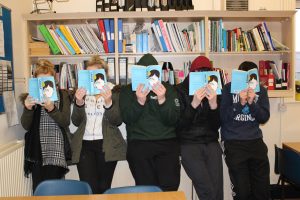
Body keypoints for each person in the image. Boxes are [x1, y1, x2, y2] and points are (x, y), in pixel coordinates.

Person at [119, 53, 181, 191]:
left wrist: (162, 100)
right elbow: (126, 118)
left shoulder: (168, 89)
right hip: (139, 144)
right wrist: (139, 101)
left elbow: (173, 120)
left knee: (169, 189)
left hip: (167, 144)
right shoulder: (127, 91)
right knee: (146, 191)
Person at [71, 55, 126, 194]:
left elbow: (117, 121)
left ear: (104, 75)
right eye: (89, 74)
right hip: (85, 145)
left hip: (106, 145)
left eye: (95, 74)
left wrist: (108, 102)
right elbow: (76, 122)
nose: (92, 77)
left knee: (103, 188)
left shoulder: (115, 92)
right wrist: (78, 103)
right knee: (89, 189)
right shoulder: (82, 92)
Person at [220, 61, 270, 200]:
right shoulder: (227, 89)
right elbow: (223, 118)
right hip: (233, 142)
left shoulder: (261, 90)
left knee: (262, 189)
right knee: (242, 191)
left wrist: (251, 103)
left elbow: (264, 118)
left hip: (255, 141)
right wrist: (239, 103)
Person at [176, 56, 223, 200]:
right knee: (207, 190)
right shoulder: (180, 90)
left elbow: (217, 125)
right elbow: (179, 127)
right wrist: (194, 104)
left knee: (217, 190)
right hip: (189, 143)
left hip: (211, 141)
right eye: (198, 72)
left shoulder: (215, 89)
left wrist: (214, 105)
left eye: (207, 72)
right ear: (191, 73)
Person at [20, 59, 72, 192]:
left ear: (53, 81)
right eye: (40, 81)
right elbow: (26, 126)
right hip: (37, 151)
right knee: (38, 190)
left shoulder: (62, 95)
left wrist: (52, 109)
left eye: (47, 80)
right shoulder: (32, 97)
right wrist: (28, 108)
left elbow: (65, 121)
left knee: (54, 190)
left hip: (55, 150)